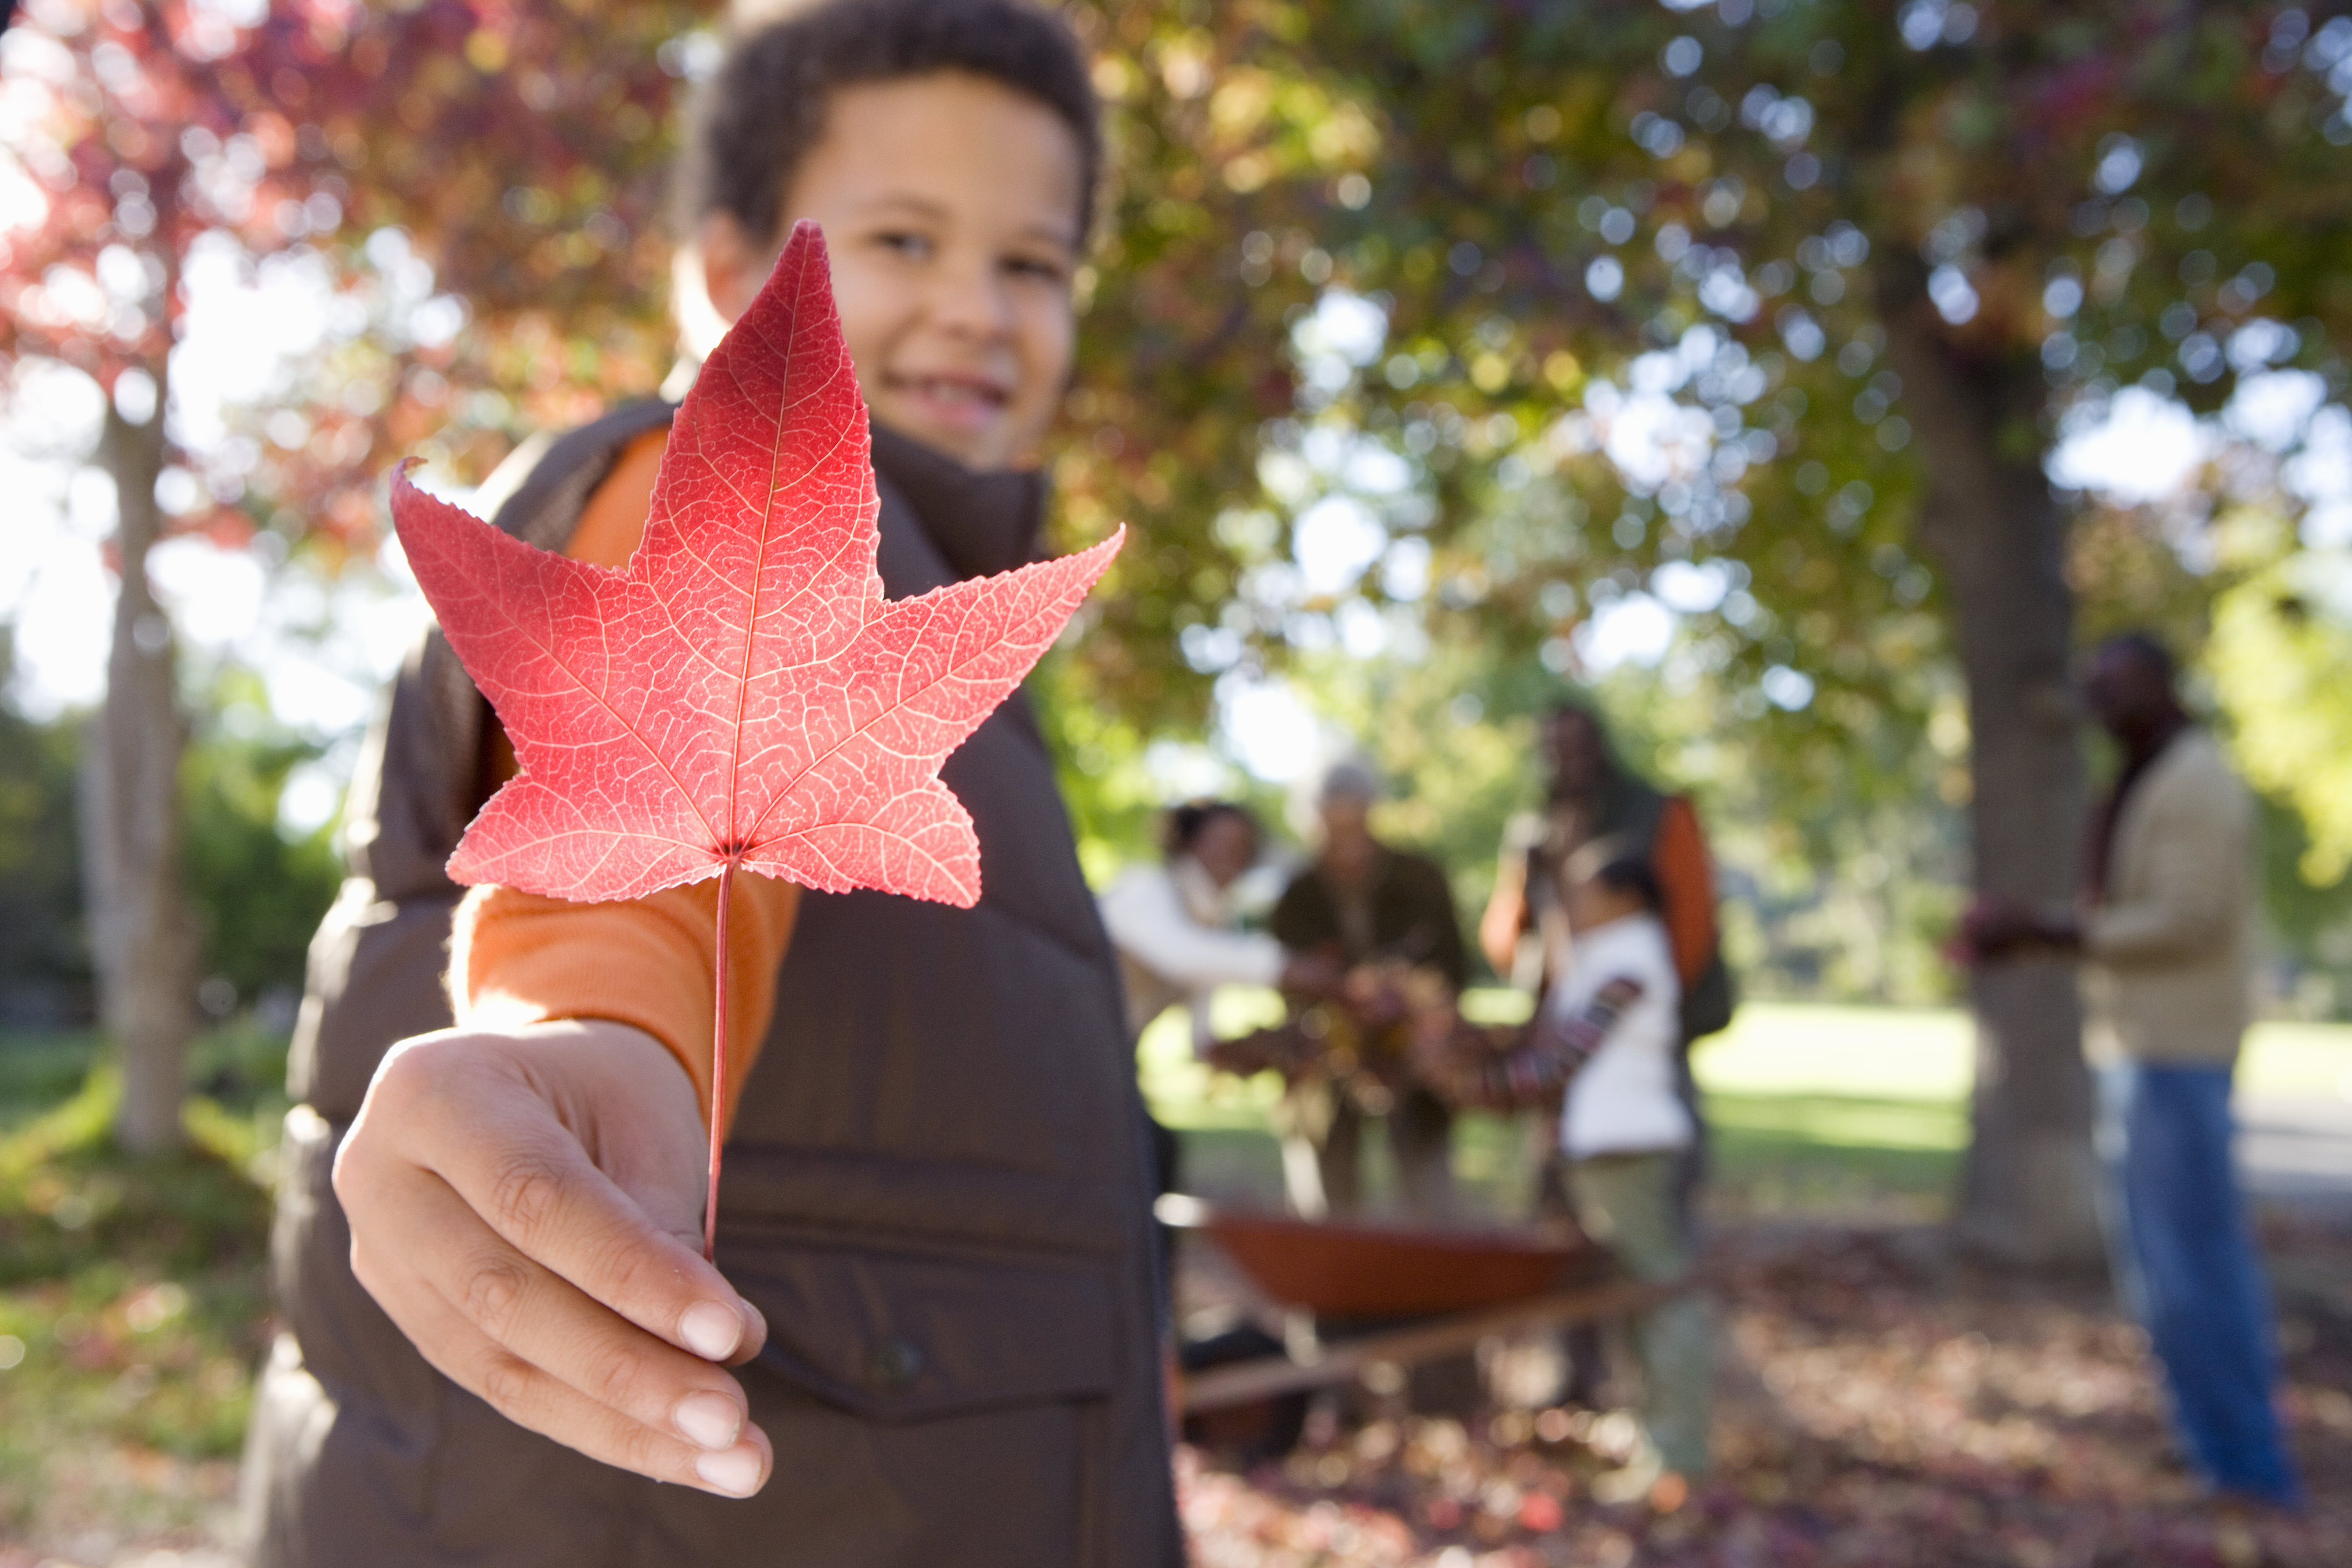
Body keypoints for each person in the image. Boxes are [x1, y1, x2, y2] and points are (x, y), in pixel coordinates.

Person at [240, 6, 1187, 1563]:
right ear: (725, 263)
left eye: (1031, 263)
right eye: (900, 236)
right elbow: (649, 853)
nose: (976, 306)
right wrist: (588, 1036)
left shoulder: (938, 602)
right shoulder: (687, 482)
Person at [1964, 633, 2301, 1509]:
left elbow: (2186, 917)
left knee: (2193, 1267)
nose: (2099, 699)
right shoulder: (2149, 774)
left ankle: (2246, 1465)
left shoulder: (2192, 779)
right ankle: (2212, 1447)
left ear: (2161, 683)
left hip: (2177, 1054)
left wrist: (2049, 929)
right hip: (2145, 1049)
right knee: (2161, 1271)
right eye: (2091, 685)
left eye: (2115, 683)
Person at [1421, 841, 1711, 1502]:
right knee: (1640, 1293)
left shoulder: (1632, 961)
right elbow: (1555, 1013)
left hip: (1627, 1146)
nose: (1574, 905)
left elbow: (1564, 1058)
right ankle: (1660, 1440)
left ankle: (1680, 1451)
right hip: (1601, 1145)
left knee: (1660, 1291)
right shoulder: (1606, 956)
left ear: (1625, 898)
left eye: (1586, 892)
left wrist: (1478, 1086)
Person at [1480, 703, 1729, 1213]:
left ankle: (1658, 1272)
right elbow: (1505, 941)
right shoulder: (1536, 827)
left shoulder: (1657, 812)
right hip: (1564, 1025)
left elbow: (1692, 927)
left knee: (1650, 1185)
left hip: (1636, 1031)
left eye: (1575, 745)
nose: (1565, 759)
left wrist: (1633, 1001)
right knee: (1561, 1182)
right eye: (1553, 748)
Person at [1266, 759, 1468, 1218]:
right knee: (1326, 1187)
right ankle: (1330, 1274)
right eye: (1332, 829)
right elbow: (1287, 977)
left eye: (1356, 825)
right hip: (1326, 1055)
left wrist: (1415, 1005)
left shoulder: (1419, 878)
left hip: (1416, 1051)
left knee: (1427, 1180)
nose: (1348, 844)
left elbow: (1452, 964)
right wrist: (1341, 1008)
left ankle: (1433, 1271)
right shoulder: (1297, 892)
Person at [1099, 800, 1334, 1055]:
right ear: (1189, 841)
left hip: (1108, 1055)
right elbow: (1181, 956)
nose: (1232, 855)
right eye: (1220, 841)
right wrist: (1288, 967)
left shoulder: (1210, 924)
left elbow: (1202, 1037)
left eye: (1243, 847)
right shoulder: (1143, 888)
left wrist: (1258, 1048)